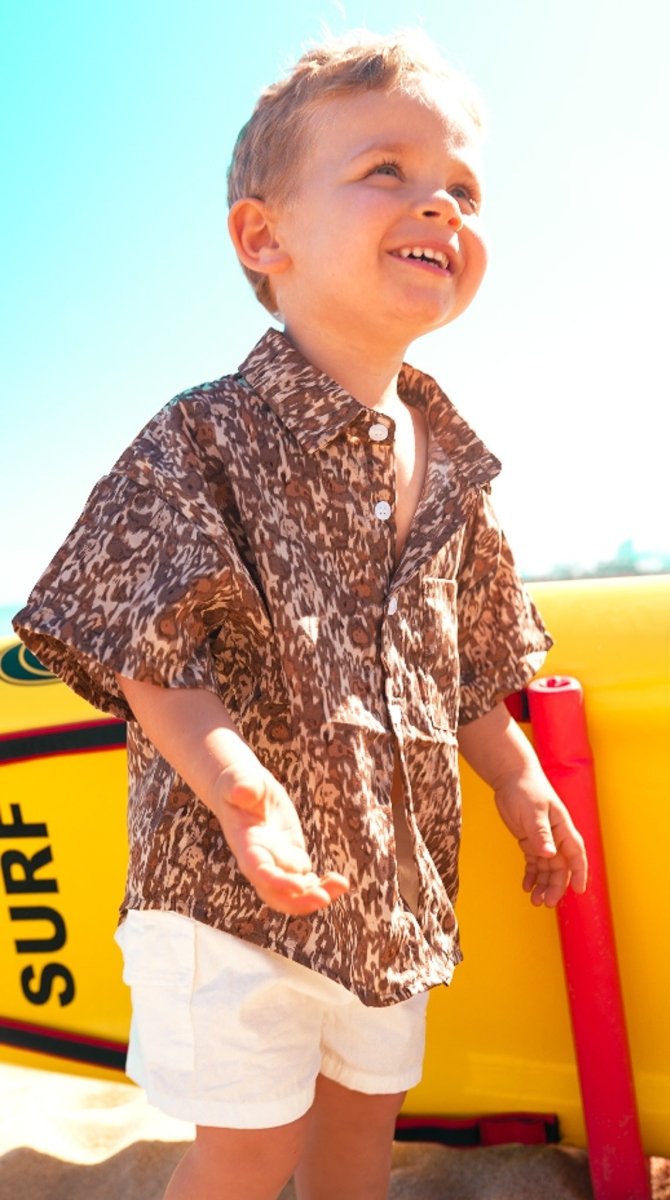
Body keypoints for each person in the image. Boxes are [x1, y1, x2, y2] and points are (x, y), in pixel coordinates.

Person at [14, 29, 588, 1200]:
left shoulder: (459, 470)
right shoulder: (207, 434)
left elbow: (466, 666)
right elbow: (138, 631)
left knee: (356, 1150)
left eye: (461, 188)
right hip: (230, 886)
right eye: (386, 169)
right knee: (246, 1154)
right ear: (263, 237)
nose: (437, 202)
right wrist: (232, 781)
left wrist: (518, 778)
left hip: (385, 895)